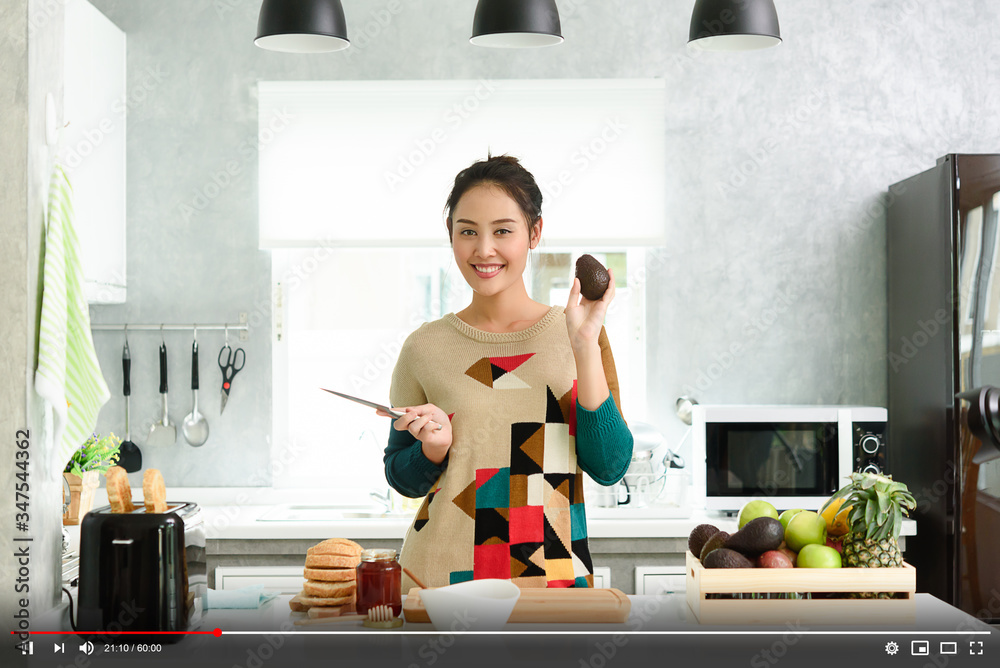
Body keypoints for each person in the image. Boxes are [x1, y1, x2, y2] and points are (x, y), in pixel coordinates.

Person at [378, 154, 633, 590]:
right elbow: (401, 476)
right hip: (440, 584)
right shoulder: (424, 347)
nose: (484, 249)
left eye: (502, 231)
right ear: (451, 237)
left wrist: (584, 347)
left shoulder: (581, 335)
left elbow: (609, 465)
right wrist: (433, 450)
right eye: (468, 232)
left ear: (534, 233)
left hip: (552, 582)